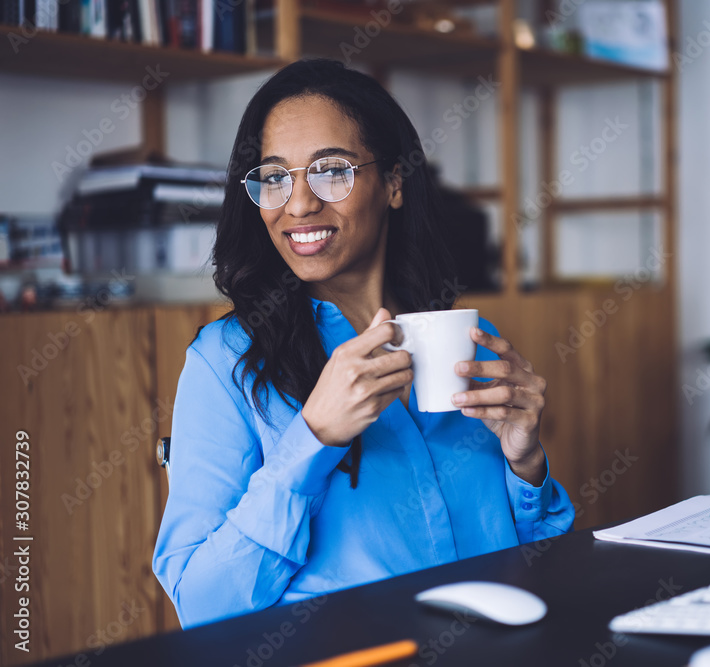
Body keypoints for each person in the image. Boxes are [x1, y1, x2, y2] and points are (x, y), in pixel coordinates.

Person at [152, 59, 575, 629]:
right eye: (275, 177)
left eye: (331, 171)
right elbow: (199, 604)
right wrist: (312, 438)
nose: (298, 204)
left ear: (394, 183)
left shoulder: (466, 341)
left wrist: (525, 463)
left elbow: (536, 566)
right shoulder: (224, 363)